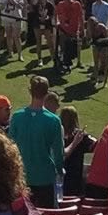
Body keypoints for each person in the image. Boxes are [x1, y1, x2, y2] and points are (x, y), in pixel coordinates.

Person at [8, 76, 66, 207]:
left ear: (30, 91)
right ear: (47, 93)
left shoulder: (17, 117)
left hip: (22, 176)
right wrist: (59, 170)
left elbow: (10, 147)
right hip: (44, 176)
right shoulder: (53, 120)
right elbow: (58, 152)